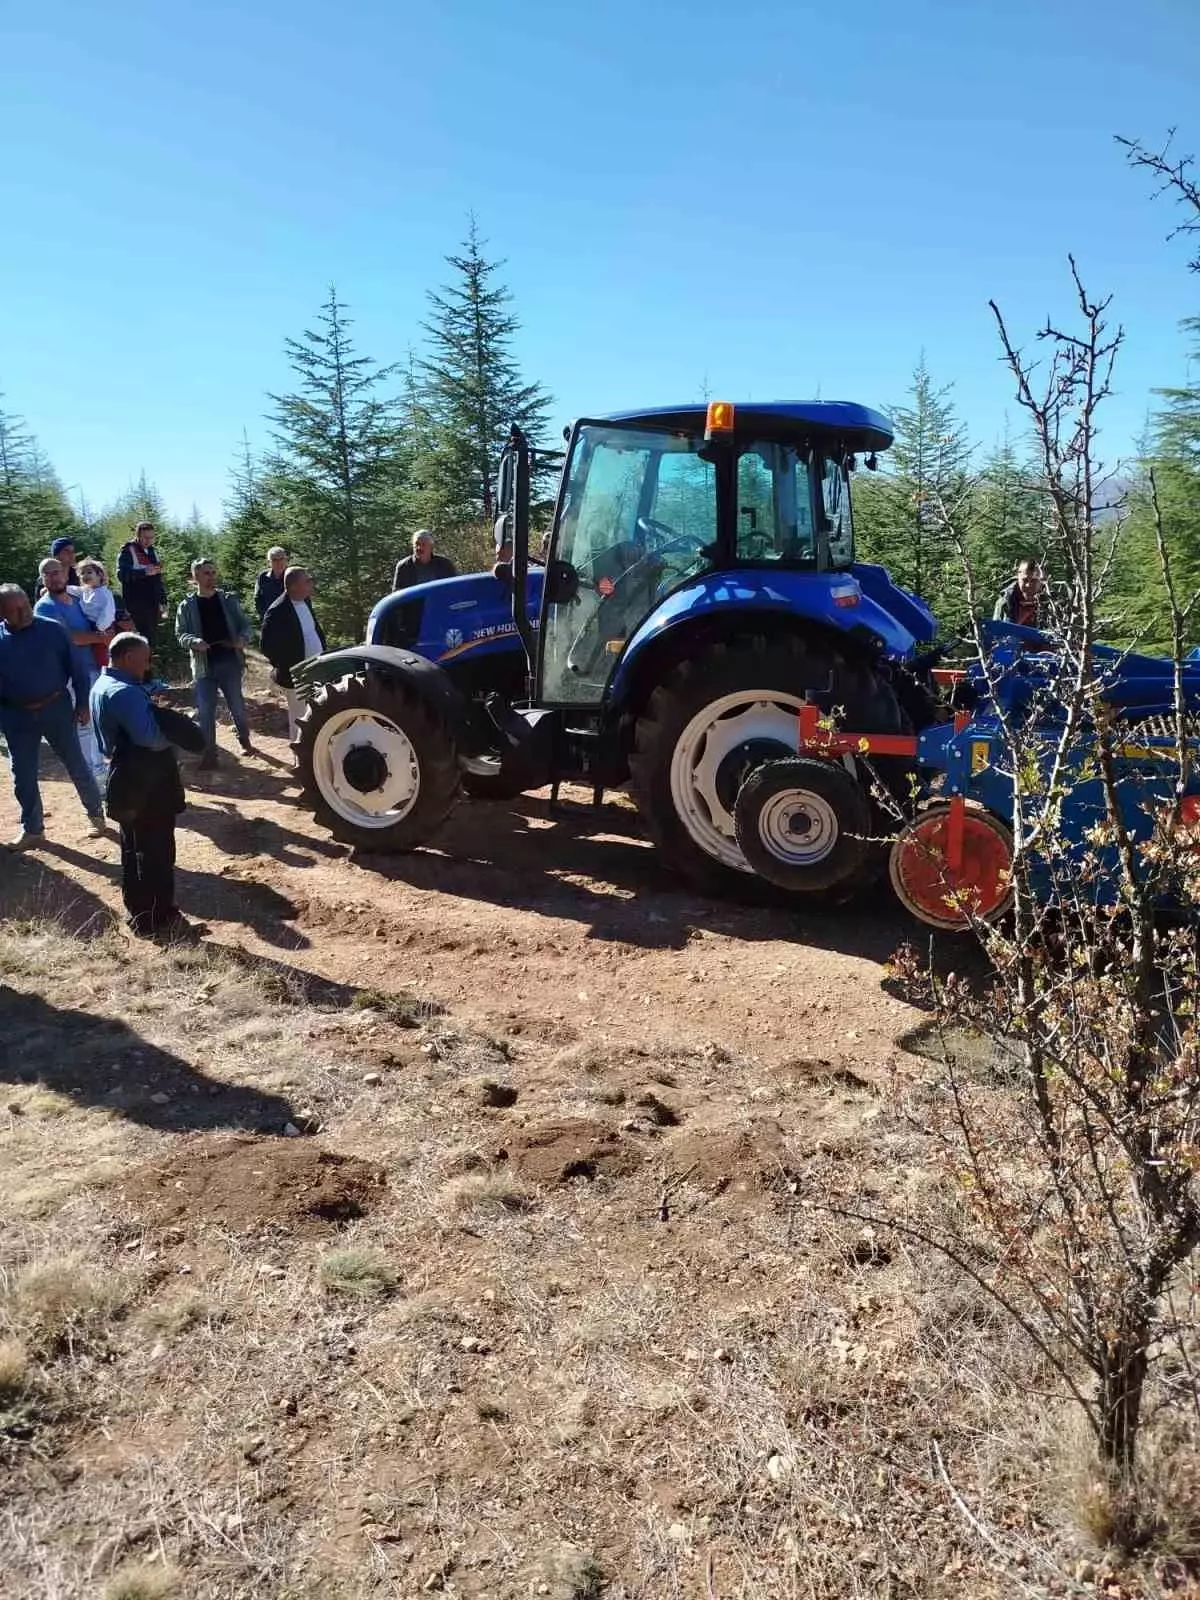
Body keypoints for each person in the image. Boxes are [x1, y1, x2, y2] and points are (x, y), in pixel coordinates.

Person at [92, 632, 203, 938]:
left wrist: (154, 693)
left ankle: (144, 914)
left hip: (124, 777)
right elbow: (150, 739)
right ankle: (157, 918)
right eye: (144, 659)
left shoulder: (104, 685)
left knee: (132, 848)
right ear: (127, 658)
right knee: (155, 851)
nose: (147, 664)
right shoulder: (125, 694)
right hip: (146, 782)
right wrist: (180, 725)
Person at [0, 581, 106, 850]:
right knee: (22, 774)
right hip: (17, 716)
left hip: (56, 707)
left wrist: (83, 703)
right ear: (2, 613)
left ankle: (95, 814)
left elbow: (78, 669)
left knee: (76, 763)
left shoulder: (52, 629)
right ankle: (33, 829)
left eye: (25, 604)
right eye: (15, 609)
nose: (24, 611)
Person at [34, 557, 111, 783]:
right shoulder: (45, 607)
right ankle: (92, 779)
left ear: (65, 573)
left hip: (93, 669)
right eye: (48, 574)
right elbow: (68, 638)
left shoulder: (78, 600)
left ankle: (99, 771)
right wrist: (99, 637)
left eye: (57, 572)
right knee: (83, 725)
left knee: (96, 721)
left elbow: (98, 619)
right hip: (69, 676)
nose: (54, 577)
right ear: (43, 578)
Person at [175, 557, 255, 769]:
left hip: (229, 662)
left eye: (213, 572)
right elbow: (180, 633)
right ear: (195, 577)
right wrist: (194, 642)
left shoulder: (228, 600)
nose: (211, 577)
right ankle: (209, 754)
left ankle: (244, 739)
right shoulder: (187, 605)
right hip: (204, 666)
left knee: (236, 705)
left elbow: (246, 626)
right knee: (206, 711)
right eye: (206, 573)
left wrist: (242, 640)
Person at [260, 566, 326, 744]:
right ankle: (299, 759)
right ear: (294, 586)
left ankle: (313, 752)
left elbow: (312, 630)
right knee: (299, 717)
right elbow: (267, 647)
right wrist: (289, 667)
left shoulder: (305, 601)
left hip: (316, 668)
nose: (311, 583)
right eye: (307, 581)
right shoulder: (277, 611)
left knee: (316, 712)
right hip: (296, 674)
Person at [118, 520, 168, 647]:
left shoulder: (152, 552)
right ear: (138, 536)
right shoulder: (128, 550)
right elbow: (122, 575)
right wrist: (144, 572)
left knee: (150, 640)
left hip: (152, 604)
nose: (148, 541)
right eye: (145, 538)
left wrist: (163, 600)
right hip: (136, 606)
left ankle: (148, 664)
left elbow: (157, 578)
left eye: (151, 538)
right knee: (138, 642)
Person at [71, 558, 118, 670]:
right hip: (91, 626)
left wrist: (101, 628)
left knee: (102, 653)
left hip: (103, 626)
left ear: (99, 575)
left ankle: (106, 671)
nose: (85, 575)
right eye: (82, 573)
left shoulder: (104, 593)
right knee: (91, 652)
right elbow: (72, 589)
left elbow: (109, 612)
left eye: (89, 572)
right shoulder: (85, 590)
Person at [994, 558, 1048, 628]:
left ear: (1042, 581)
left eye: (1034, 581)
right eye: (1025, 580)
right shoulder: (1005, 600)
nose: (1028, 585)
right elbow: (996, 629)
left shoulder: (1052, 603)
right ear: (1018, 578)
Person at [254, 546, 289, 622]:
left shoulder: (292, 576)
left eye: (281, 559)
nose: (279, 562)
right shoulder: (263, 576)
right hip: (269, 619)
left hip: (290, 620)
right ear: (269, 562)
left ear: (286, 560)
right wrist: (264, 616)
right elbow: (258, 598)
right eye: (275, 560)